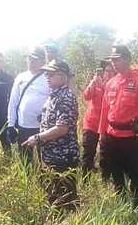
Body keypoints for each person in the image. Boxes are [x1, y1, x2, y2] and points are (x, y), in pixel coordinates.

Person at [98, 45, 138, 207]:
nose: (113, 63)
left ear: (128, 59)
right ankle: (121, 201)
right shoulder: (110, 83)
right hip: (111, 136)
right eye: (112, 60)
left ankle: (137, 204)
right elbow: (104, 110)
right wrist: (102, 133)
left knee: (135, 173)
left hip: (131, 138)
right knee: (116, 171)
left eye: (117, 59)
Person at [22, 60, 79, 210]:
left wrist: (38, 137)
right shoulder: (53, 95)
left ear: (63, 77)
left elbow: (62, 128)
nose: (47, 76)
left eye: (51, 74)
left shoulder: (66, 97)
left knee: (66, 199)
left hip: (62, 157)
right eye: (46, 73)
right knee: (54, 195)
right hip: (51, 155)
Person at [6, 45, 50, 164]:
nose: (31, 61)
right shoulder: (21, 77)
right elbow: (13, 101)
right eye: (29, 58)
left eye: (34, 59)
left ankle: (43, 181)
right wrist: (10, 124)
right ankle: (28, 180)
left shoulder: (48, 77)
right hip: (23, 125)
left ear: (42, 60)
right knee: (25, 160)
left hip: (43, 126)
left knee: (44, 160)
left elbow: (54, 100)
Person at [81, 60, 115, 174]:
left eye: (112, 71)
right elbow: (86, 96)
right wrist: (92, 82)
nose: (109, 74)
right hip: (91, 124)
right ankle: (85, 180)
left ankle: (104, 181)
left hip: (107, 126)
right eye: (107, 71)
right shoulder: (96, 83)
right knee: (88, 154)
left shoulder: (116, 86)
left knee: (106, 156)